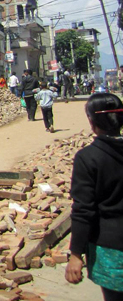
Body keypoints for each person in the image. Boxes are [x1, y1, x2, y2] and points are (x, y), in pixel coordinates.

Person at [65, 93, 123, 301]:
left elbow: (83, 210)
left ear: (92, 121)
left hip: (111, 250)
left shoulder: (88, 158)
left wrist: (75, 255)